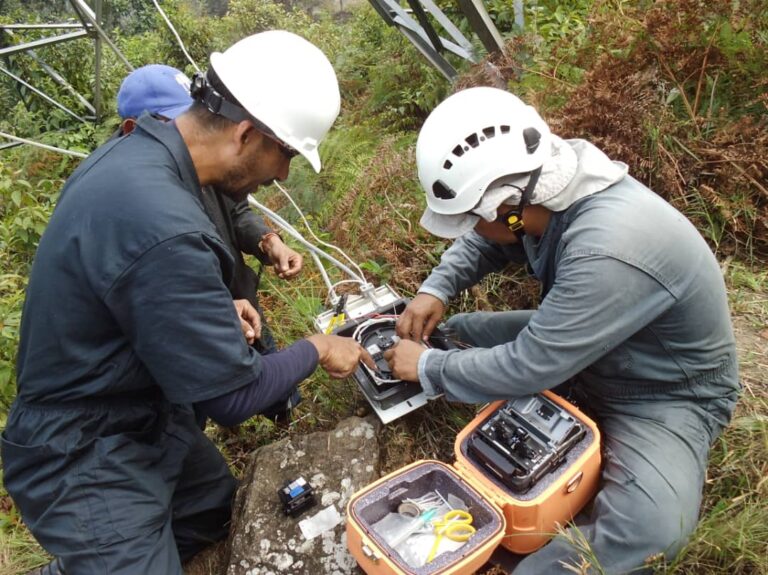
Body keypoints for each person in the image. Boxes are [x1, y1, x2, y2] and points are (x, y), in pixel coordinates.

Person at [2, 31, 371, 575]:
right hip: (82, 448)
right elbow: (234, 397)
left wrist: (209, 311)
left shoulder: (142, 157)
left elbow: (126, 285)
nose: (283, 174)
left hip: (142, 409)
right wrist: (318, 349)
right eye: (286, 152)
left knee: (213, 512)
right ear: (246, 133)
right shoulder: (162, 221)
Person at [384, 87, 740, 574]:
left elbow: (529, 365)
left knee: (651, 530)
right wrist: (436, 289)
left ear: (507, 207)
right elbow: (491, 242)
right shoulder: (547, 187)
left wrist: (428, 367)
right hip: (593, 344)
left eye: (472, 219)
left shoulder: (608, 247)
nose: (470, 229)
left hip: (663, 391)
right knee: (461, 332)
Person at [117, 64, 304, 418]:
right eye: (170, 122)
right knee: (213, 397)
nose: (188, 133)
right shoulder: (143, 205)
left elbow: (236, 211)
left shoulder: (206, 161)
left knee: (267, 364)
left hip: (233, 299)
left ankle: (283, 411)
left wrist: (268, 241)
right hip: (201, 324)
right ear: (132, 129)